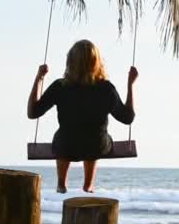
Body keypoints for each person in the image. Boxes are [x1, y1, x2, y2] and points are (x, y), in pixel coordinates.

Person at [27, 39, 138, 193]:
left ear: (70, 62)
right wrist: (130, 85)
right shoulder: (106, 89)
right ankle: (88, 185)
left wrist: (39, 78)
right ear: (96, 62)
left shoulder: (60, 86)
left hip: (66, 146)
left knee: (63, 138)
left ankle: (61, 183)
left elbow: (32, 113)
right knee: (97, 138)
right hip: (96, 147)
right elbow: (127, 118)